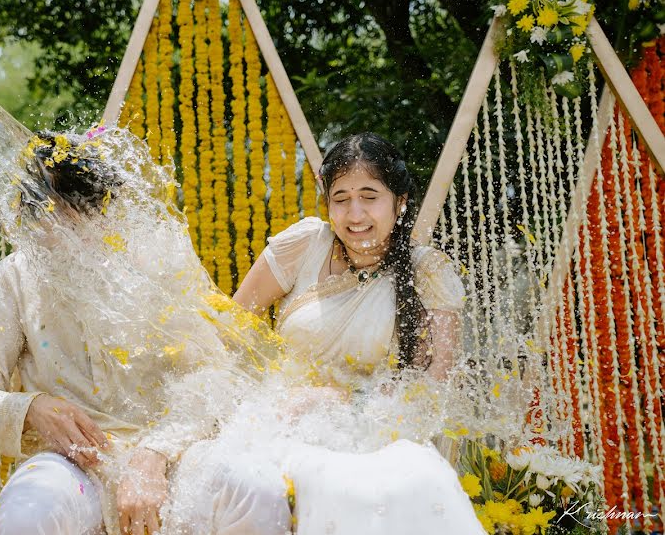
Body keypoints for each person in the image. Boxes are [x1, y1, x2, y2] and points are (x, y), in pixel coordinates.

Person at [0, 130, 289, 535]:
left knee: (257, 489)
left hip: (173, 452)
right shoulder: (13, 279)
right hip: (71, 464)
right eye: (39, 208)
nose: (51, 222)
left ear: (99, 205)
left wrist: (156, 452)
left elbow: (214, 377)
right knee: (25, 516)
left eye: (67, 208)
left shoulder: (159, 264)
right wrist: (31, 409)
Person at [162, 132, 484, 534]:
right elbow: (227, 336)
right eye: (341, 198)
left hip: (372, 440)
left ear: (399, 203)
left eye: (370, 196)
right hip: (276, 422)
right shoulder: (305, 245)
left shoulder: (428, 273)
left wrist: (343, 400)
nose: (355, 214)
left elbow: (436, 390)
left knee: (374, 483)